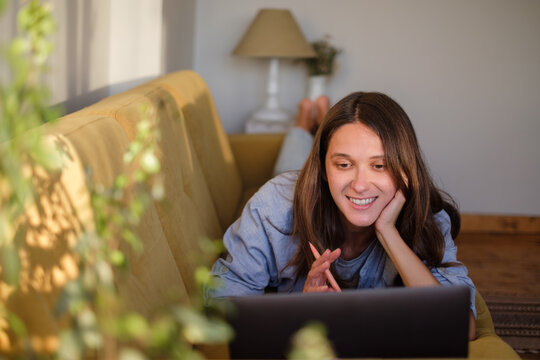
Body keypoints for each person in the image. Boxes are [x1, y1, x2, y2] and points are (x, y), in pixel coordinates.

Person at [207, 92, 477, 340]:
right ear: (323, 168)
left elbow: (461, 327)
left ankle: (317, 120)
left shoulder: (426, 217)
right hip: (298, 189)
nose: (360, 184)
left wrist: (388, 232)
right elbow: (220, 306)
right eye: (344, 164)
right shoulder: (274, 207)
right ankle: (304, 124)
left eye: (379, 165)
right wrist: (297, 314)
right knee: (287, 170)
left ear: (405, 169)